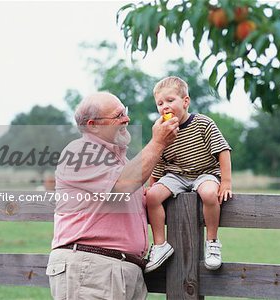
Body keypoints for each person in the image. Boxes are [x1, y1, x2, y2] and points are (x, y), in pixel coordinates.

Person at [46, 92, 179, 300]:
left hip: (112, 270)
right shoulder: (80, 152)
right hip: (92, 269)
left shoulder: (119, 162)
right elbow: (123, 186)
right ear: (93, 125)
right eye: (117, 116)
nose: (126, 119)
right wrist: (158, 143)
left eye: (124, 112)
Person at [145, 76, 232, 273]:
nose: (164, 107)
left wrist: (225, 182)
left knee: (210, 194)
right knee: (151, 196)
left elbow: (223, 151)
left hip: (204, 172)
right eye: (160, 103)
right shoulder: (162, 131)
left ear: (185, 102)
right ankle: (160, 245)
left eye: (170, 100)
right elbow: (158, 161)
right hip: (176, 175)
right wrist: (153, 184)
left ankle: (212, 242)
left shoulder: (203, 123)